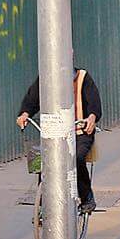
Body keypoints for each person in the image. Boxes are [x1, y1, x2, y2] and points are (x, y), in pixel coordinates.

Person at [17, 64, 102, 210]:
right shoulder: (45, 78)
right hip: (54, 133)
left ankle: (86, 196)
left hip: (79, 131)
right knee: (44, 161)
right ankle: (44, 202)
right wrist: (25, 114)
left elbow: (94, 104)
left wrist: (92, 118)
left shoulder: (83, 78)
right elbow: (32, 99)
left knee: (76, 158)